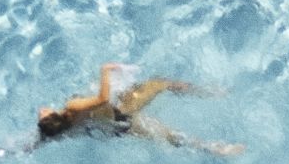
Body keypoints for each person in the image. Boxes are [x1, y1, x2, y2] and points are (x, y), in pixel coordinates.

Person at [31, 63, 238, 156]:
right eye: (43, 114)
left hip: (120, 129)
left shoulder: (61, 132)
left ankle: (214, 149)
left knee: (170, 137)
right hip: (122, 111)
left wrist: (20, 149)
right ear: (54, 116)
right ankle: (209, 92)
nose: (41, 111)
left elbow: (39, 141)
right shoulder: (72, 108)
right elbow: (103, 98)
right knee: (160, 83)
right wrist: (106, 71)